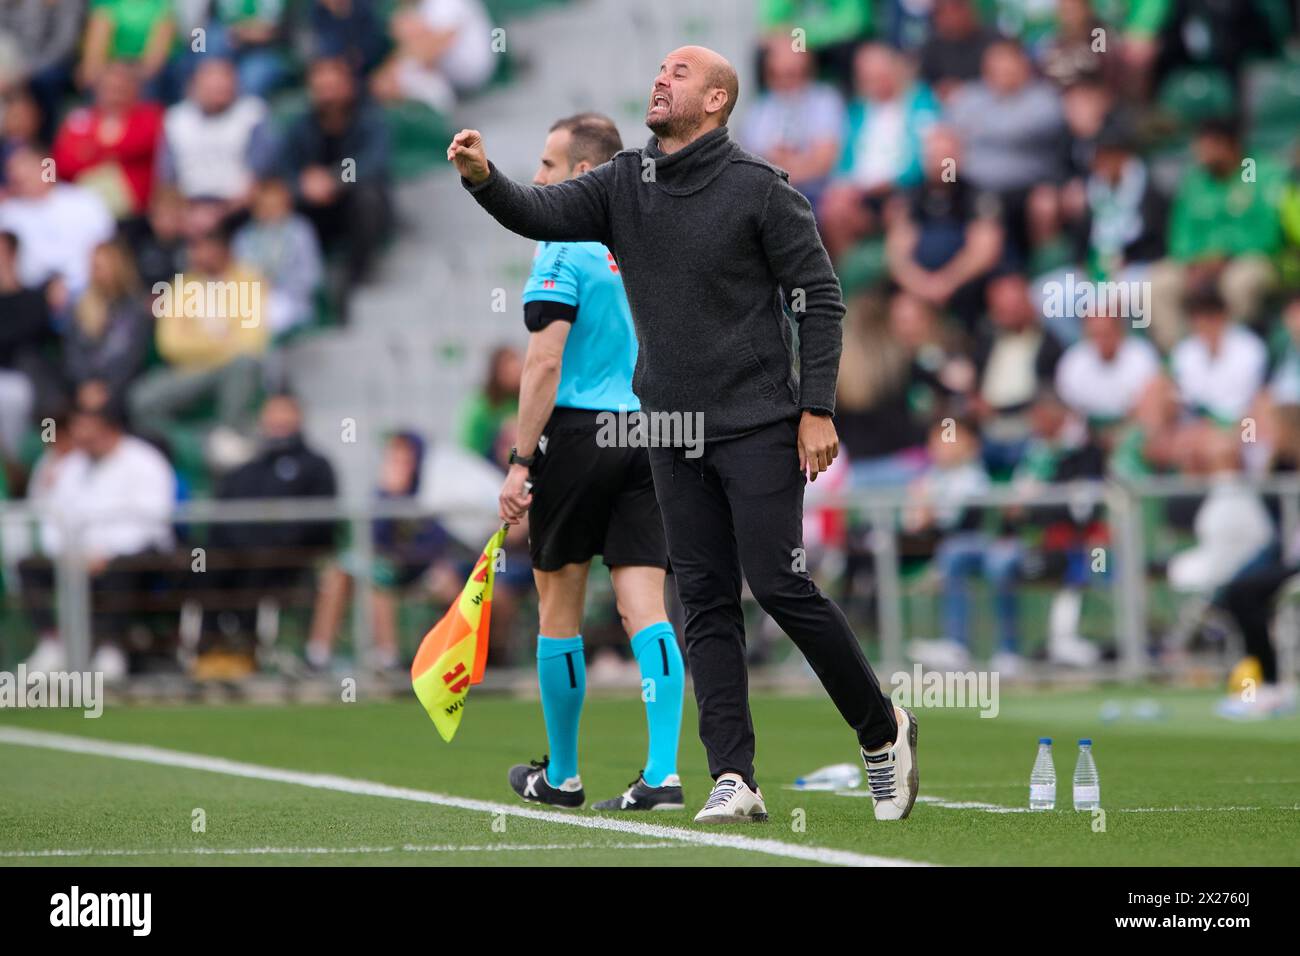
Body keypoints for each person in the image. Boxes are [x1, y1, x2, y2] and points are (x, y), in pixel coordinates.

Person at [450, 44, 918, 823]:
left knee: (776, 584)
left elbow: (821, 299)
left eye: (680, 73)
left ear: (716, 102)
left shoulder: (761, 191)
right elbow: (540, 212)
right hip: (668, 429)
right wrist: (482, 179)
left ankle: (883, 728)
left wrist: (816, 409)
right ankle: (734, 776)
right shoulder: (625, 180)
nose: (660, 79)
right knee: (701, 599)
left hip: (759, 422)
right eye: (659, 69)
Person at [491, 113, 685, 812]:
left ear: (582, 174)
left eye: (547, 165)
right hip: (646, 431)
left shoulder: (561, 242)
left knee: (559, 608)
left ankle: (564, 776)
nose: (536, 178)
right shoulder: (642, 246)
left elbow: (545, 359)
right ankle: (662, 772)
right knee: (646, 609)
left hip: (577, 435)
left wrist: (519, 461)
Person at [20, 397, 177, 680]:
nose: (82, 438)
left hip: (137, 556)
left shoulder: (145, 461)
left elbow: (151, 519)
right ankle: (53, 645)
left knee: (121, 568)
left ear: (111, 429)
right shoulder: (71, 465)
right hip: (78, 556)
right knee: (30, 565)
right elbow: (55, 516)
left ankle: (111, 649)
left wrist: (104, 553)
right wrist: (66, 553)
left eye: (89, 430)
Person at [306, 431, 449, 672]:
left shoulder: (430, 492)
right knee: (343, 575)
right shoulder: (382, 494)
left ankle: (389, 658)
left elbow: (435, 543)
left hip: (418, 570)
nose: (398, 463)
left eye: (405, 458)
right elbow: (372, 539)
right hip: (384, 568)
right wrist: (390, 497)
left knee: (378, 579)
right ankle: (318, 654)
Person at [158, 57, 277, 208]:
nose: (219, 86)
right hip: (188, 209)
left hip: (239, 208)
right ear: (194, 85)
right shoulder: (176, 119)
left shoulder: (252, 113)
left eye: (225, 80)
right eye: (212, 83)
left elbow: (261, 172)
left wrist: (229, 210)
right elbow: (167, 178)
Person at [740, 34, 843, 208]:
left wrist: (781, 164)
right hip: (768, 195)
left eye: (796, 73)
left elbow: (823, 162)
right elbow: (750, 163)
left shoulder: (825, 100)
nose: (789, 82)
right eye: (779, 74)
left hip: (818, 194)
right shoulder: (758, 111)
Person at [51, 61, 163, 221]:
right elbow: (64, 162)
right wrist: (111, 158)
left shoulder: (150, 116)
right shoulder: (78, 120)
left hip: (135, 213)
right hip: (83, 207)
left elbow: (143, 144)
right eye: (109, 88)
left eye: (121, 89)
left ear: (135, 89)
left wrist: (91, 153)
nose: (115, 94)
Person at [0, 145, 114, 297]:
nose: (22, 176)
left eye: (28, 170)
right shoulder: (7, 213)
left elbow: (106, 250)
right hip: (27, 298)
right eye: (16, 176)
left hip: (85, 292)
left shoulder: (84, 202)